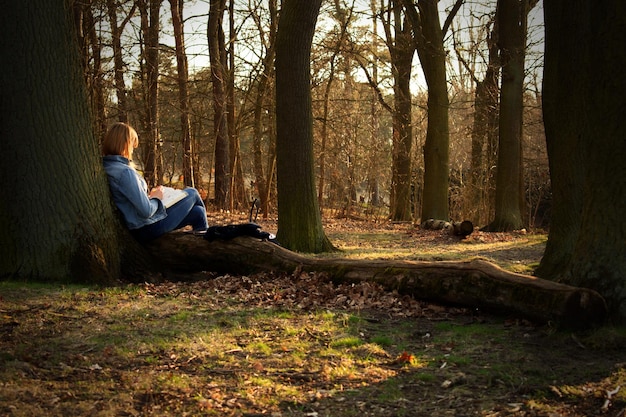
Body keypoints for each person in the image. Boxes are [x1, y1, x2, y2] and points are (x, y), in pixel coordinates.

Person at [102, 122, 208, 242]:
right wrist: (156, 198)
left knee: (198, 212)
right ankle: (210, 241)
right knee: (192, 192)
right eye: (132, 145)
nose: (132, 150)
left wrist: (148, 197)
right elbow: (146, 211)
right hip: (147, 227)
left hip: (139, 226)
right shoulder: (125, 172)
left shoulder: (107, 167)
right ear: (125, 144)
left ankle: (205, 240)